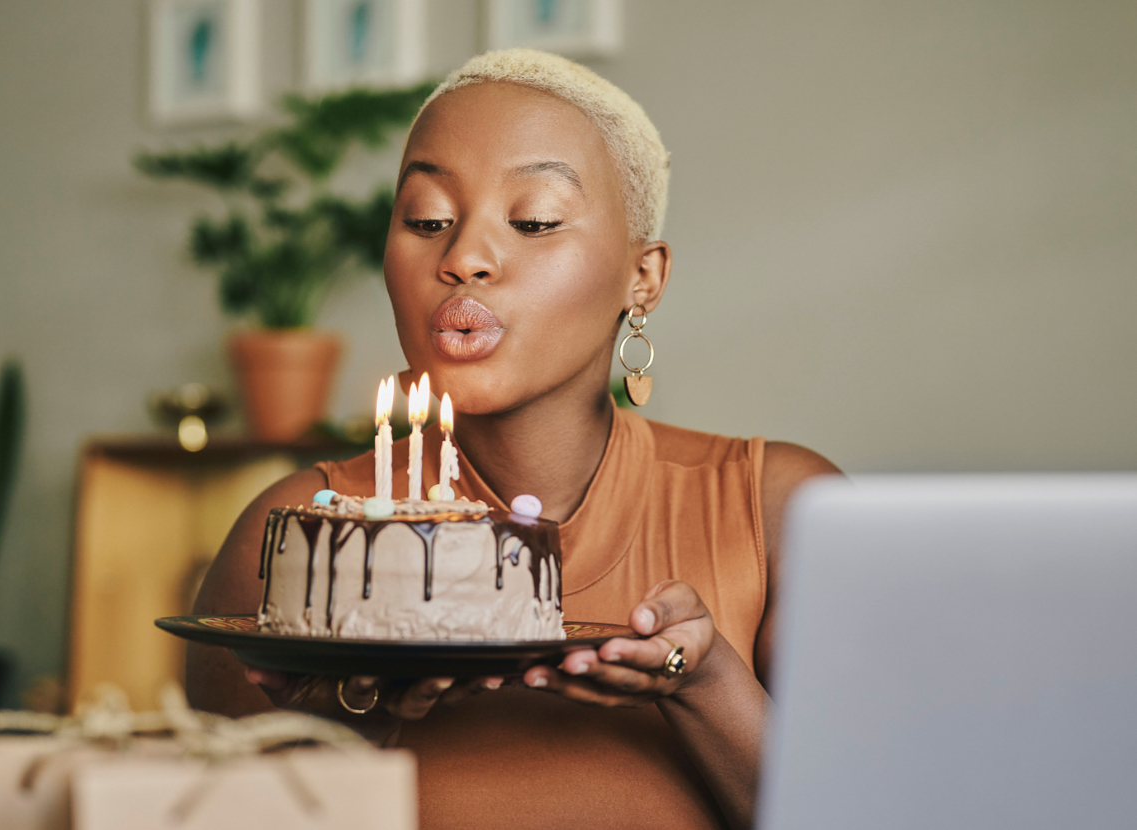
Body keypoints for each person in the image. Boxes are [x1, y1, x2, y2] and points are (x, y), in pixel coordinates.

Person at [188, 49, 840, 830]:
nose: (462, 258)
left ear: (645, 278)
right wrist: (348, 728)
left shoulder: (780, 512)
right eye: (426, 219)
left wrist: (702, 686)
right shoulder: (300, 537)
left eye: (532, 220)